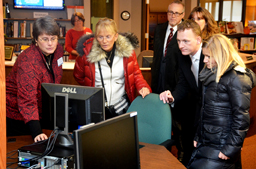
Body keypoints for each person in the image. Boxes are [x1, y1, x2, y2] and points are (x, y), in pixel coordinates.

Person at [187, 34, 256, 169]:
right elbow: (206, 111)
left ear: (220, 55)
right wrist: (198, 135)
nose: (204, 60)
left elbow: (241, 118)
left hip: (222, 144)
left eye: (208, 56)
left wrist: (230, 148)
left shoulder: (237, 78)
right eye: (204, 56)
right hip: (208, 139)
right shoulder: (211, 73)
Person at [73, 17, 151, 119]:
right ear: (96, 37)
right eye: (100, 37)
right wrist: (91, 83)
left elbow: (135, 73)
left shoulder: (128, 52)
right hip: (97, 106)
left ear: (115, 36)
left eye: (108, 36)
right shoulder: (86, 53)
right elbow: (78, 76)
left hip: (121, 105)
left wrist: (142, 86)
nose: (104, 41)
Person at [6, 15, 64, 142]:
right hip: (17, 116)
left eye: (53, 38)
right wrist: (37, 131)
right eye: (45, 39)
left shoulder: (58, 50)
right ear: (36, 40)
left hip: (40, 112)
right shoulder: (28, 61)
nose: (50, 43)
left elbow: (55, 77)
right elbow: (27, 100)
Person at [159, 19, 205, 166]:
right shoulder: (182, 55)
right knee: (189, 147)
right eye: (178, 41)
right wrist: (173, 96)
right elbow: (183, 84)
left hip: (212, 110)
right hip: (193, 108)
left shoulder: (211, 55)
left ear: (198, 39)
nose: (180, 46)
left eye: (185, 41)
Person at [151, 0, 186, 162]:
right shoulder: (159, 29)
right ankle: (160, 150)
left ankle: (181, 152)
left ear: (182, 15)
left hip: (176, 82)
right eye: (170, 12)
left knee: (176, 120)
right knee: (159, 116)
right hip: (159, 79)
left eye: (177, 13)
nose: (173, 16)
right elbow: (157, 55)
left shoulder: (186, 31)